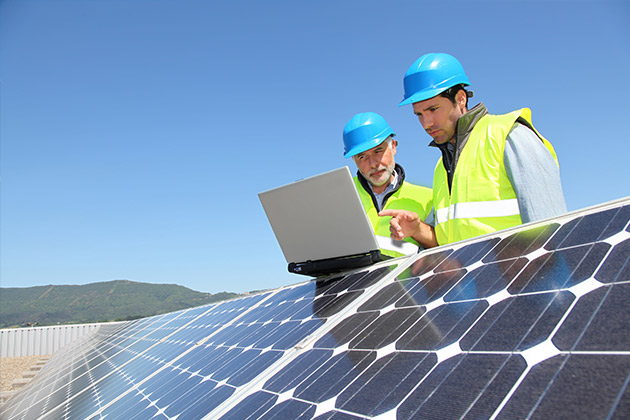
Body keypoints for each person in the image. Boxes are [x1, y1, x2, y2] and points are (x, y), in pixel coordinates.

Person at [381, 52, 567, 248]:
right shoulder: (441, 168)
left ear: (460, 99)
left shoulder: (508, 135)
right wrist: (418, 230)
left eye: (433, 109)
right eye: (419, 114)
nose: (426, 123)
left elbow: (552, 231)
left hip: (523, 276)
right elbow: (447, 244)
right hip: (471, 279)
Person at [343, 112, 433, 258]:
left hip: (404, 281)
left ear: (394, 147)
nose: (373, 164)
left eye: (378, 151)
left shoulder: (428, 198)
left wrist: (418, 230)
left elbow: (446, 251)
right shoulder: (341, 195)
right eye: (362, 156)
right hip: (346, 281)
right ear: (354, 159)